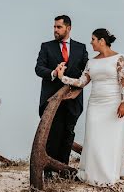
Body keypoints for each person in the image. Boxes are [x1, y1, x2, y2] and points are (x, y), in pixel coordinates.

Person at [56, 28, 124, 185]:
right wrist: (62, 77)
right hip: (95, 105)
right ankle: (95, 173)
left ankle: (110, 172)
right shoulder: (91, 62)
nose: (91, 42)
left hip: (114, 104)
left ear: (102, 41)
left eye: (93, 39)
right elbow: (82, 82)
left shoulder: (119, 58)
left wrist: (123, 102)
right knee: (94, 138)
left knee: (112, 139)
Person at [34, 15, 88, 176]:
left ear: (68, 28)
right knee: (52, 134)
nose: (55, 30)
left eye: (59, 27)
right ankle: (48, 172)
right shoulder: (46, 47)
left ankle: (63, 170)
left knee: (68, 133)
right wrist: (53, 72)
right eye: (54, 27)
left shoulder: (81, 48)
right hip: (51, 99)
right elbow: (38, 68)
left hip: (73, 99)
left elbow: (86, 71)